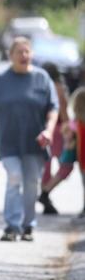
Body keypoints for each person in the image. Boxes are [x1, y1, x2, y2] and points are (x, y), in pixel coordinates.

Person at [0, 37, 57, 242]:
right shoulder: (0, 81)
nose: (24, 56)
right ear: (10, 55)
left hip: (34, 143)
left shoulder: (42, 78)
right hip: (8, 142)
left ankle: (28, 224)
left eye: (27, 51)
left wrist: (49, 130)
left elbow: (53, 109)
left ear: (32, 54)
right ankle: (12, 225)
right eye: (19, 52)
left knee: (31, 183)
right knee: (14, 177)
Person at [41, 86, 85, 218]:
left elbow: (65, 132)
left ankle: (45, 192)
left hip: (82, 159)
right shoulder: (76, 123)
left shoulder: (75, 124)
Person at [38, 62, 74, 215]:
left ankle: (45, 196)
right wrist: (69, 131)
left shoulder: (38, 86)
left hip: (42, 129)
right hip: (58, 130)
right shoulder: (58, 88)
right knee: (66, 164)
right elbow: (64, 112)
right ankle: (45, 193)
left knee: (45, 165)